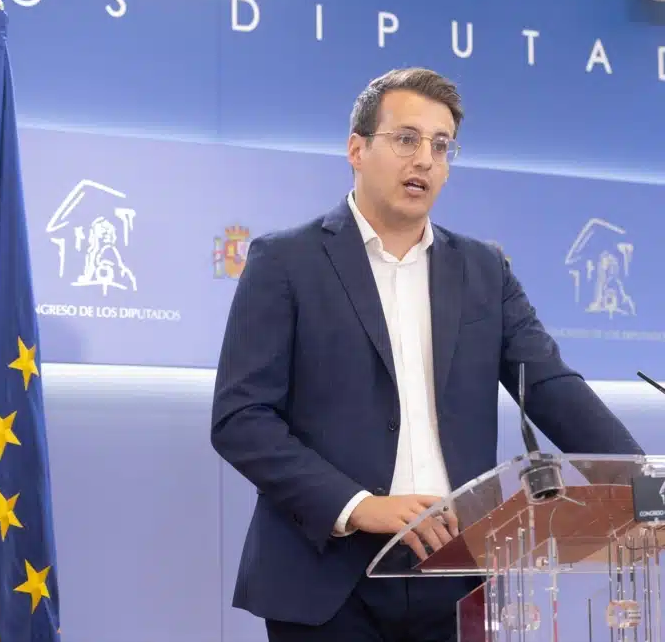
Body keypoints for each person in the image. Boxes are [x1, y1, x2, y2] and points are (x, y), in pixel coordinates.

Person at [210, 67, 643, 642]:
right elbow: (241, 418)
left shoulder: (484, 270)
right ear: (357, 150)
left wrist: (644, 491)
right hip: (325, 577)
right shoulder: (285, 261)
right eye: (406, 139)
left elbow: (550, 386)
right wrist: (358, 504)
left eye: (441, 146)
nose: (425, 160)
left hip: (457, 568)